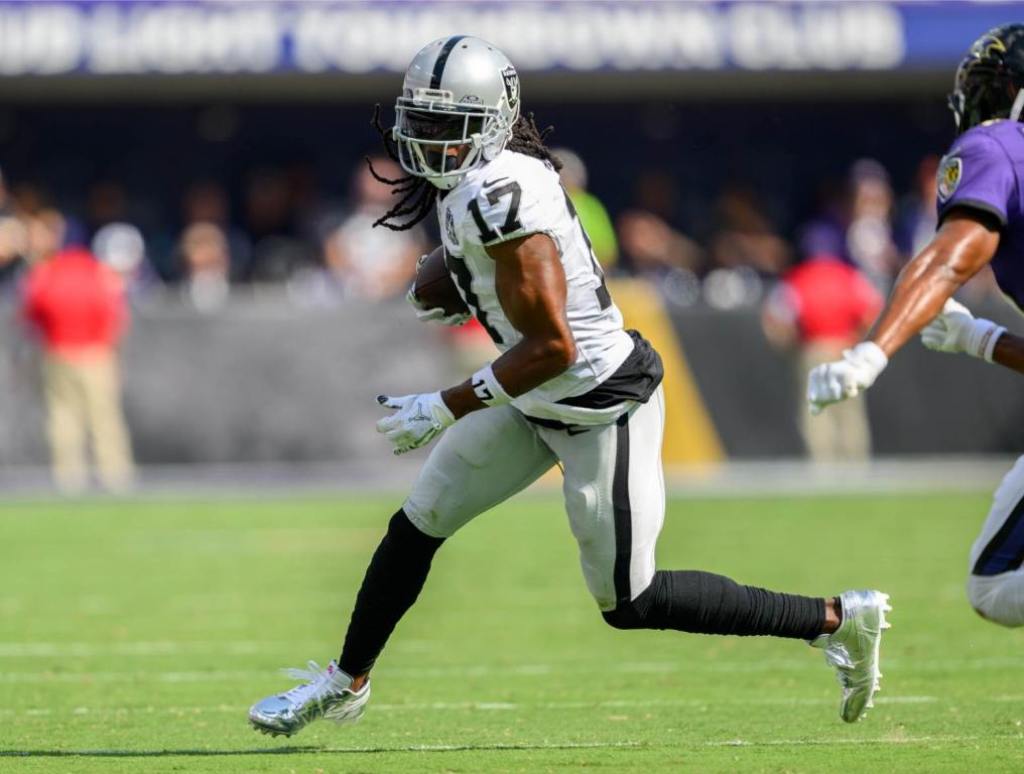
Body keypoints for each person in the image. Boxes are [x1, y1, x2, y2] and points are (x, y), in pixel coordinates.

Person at [249, 35, 890, 737]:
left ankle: (836, 618)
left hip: (597, 404)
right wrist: (464, 280)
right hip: (532, 395)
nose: (429, 138)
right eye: (421, 120)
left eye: (446, 123)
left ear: (492, 122)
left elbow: (555, 346)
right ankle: (346, 682)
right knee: (417, 523)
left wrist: (446, 403)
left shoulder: (498, 194)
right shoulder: (487, 179)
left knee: (629, 601)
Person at [807, 24, 1024, 627]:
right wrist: (980, 339)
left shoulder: (999, 146)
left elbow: (949, 256)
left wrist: (871, 353)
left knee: (995, 584)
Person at [20, 210, 134, 493]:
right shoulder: (97, 271)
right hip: (94, 353)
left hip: (59, 352)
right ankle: (115, 476)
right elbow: (114, 314)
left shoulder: (46, 272)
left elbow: (32, 312)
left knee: (63, 417)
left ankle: (69, 477)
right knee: (103, 417)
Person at [763, 226, 882, 461]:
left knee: (817, 412)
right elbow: (873, 312)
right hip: (846, 348)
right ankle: (856, 469)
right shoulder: (849, 275)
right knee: (850, 411)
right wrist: (859, 340)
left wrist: (790, 344)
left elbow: (774, 320)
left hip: (814, 349)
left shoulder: (798, 278)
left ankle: (822, 470)